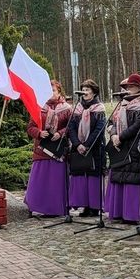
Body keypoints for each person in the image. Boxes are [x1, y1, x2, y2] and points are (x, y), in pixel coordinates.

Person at [24, 81, 73, 218]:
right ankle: (35, 206)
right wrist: (39, 133)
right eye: (47, 90)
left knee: (56, 182)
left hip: (58, 150)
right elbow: (30, 127)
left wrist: (60, 133)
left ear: (59, 91)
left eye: (53, 90)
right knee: (39, 181)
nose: (50, 93)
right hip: (41, 150)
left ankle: (56, 209)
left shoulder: (68, 108)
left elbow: (71, 126)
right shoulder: (39, 107)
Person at [105, 74, 140, 222]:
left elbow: (138, 126)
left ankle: (131, 213)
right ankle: (118, 211)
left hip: (133, 145)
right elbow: (111, 122)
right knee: (118, 176)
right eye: (127, 87)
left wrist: (121, 136)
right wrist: (113, 135)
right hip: (119, 145)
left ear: (139, 88)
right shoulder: (121, 105)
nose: (128, 89)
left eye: (131, 87)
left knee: (132, 178)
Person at [66, 79, 106, 217]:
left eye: (88, 89)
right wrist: (77, 144)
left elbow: (99, 129)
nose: (85, 92)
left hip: (94, 148)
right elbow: (71, 128)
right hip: (78, 148)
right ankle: (84, 205)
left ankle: (94, 207)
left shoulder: (99, 108)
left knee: (93, 178)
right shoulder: (77, 108)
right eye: (83, 89)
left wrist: (87, 145)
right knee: (80, 177)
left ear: (94, 92)